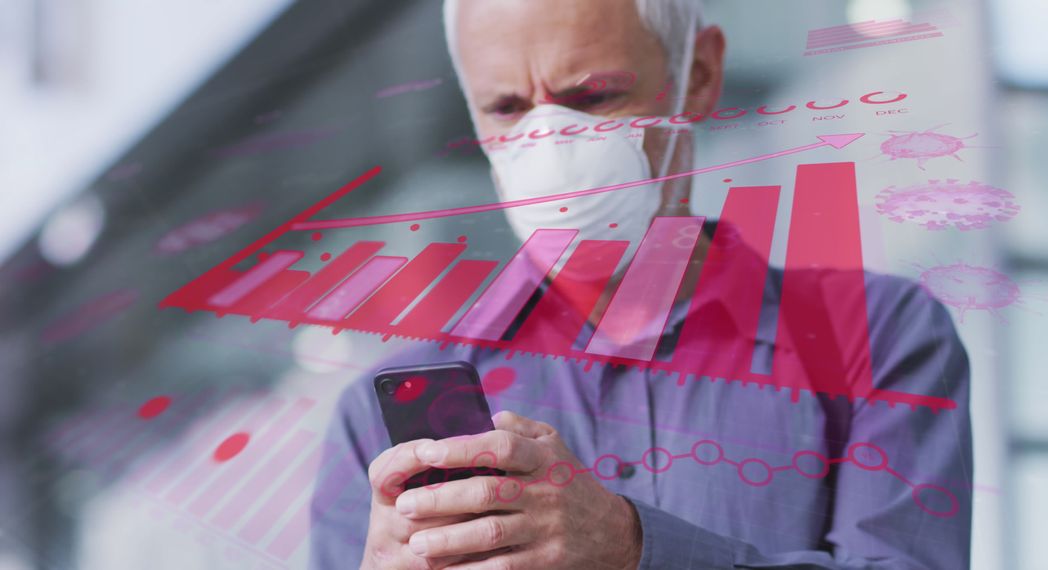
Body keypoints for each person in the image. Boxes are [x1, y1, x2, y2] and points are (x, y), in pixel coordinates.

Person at [310, 0, 973, 568]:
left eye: (594, 97)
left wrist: (632, 548)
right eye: (506, 107)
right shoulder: (378, 415)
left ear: (700, 76)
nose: (550, 143)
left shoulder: (876, 336)